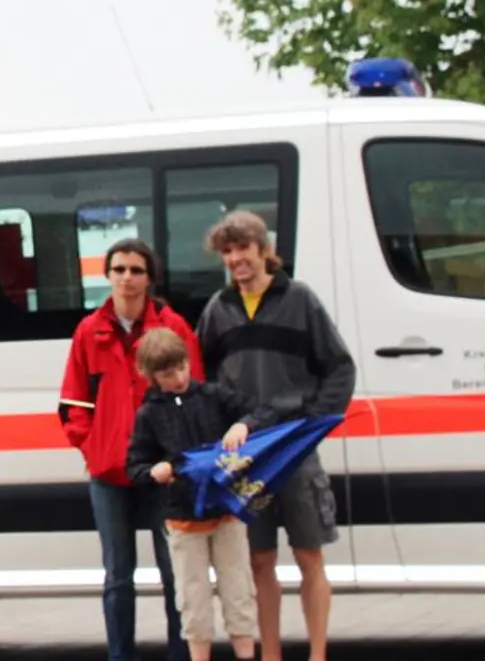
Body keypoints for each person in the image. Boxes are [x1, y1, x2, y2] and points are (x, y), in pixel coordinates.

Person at [195, 211, 356, 661]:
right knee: (259, 560)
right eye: (227, 252)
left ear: (264, 250)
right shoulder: (218, 309)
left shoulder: (300, 299)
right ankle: (271, 655)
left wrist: (314, 424)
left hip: (295, 451)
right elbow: (204, 377)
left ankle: (318, 654)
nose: (236, 259)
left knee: (309, 556)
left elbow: (339, 367)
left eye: (243, 248)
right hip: (246, 456)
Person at [56, 238, 199, 661]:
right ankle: (120, 656)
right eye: (119, 269)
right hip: (110, 473)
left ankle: (181, 654)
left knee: (175, 572)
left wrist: (177, 455)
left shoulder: (172, 328)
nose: (127, 277)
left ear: (149, 277)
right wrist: (92, 447)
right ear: (107, 274)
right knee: (117, 576)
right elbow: (73, 402)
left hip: (163, 472)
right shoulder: (89, 331)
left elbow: (194, 394)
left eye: (136, 270)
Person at [126, 327, 286, 661]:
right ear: (151, 377)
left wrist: (243, 425)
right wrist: (153, 472)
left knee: (238, 592)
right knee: (193, 600)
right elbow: (135, 465)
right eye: (168, 374)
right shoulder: (148, 414)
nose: (179, 378)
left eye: (181, 367)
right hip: (183, 521)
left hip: (226, 513)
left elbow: (263, 410)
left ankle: (245, 654)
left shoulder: (214, 396)